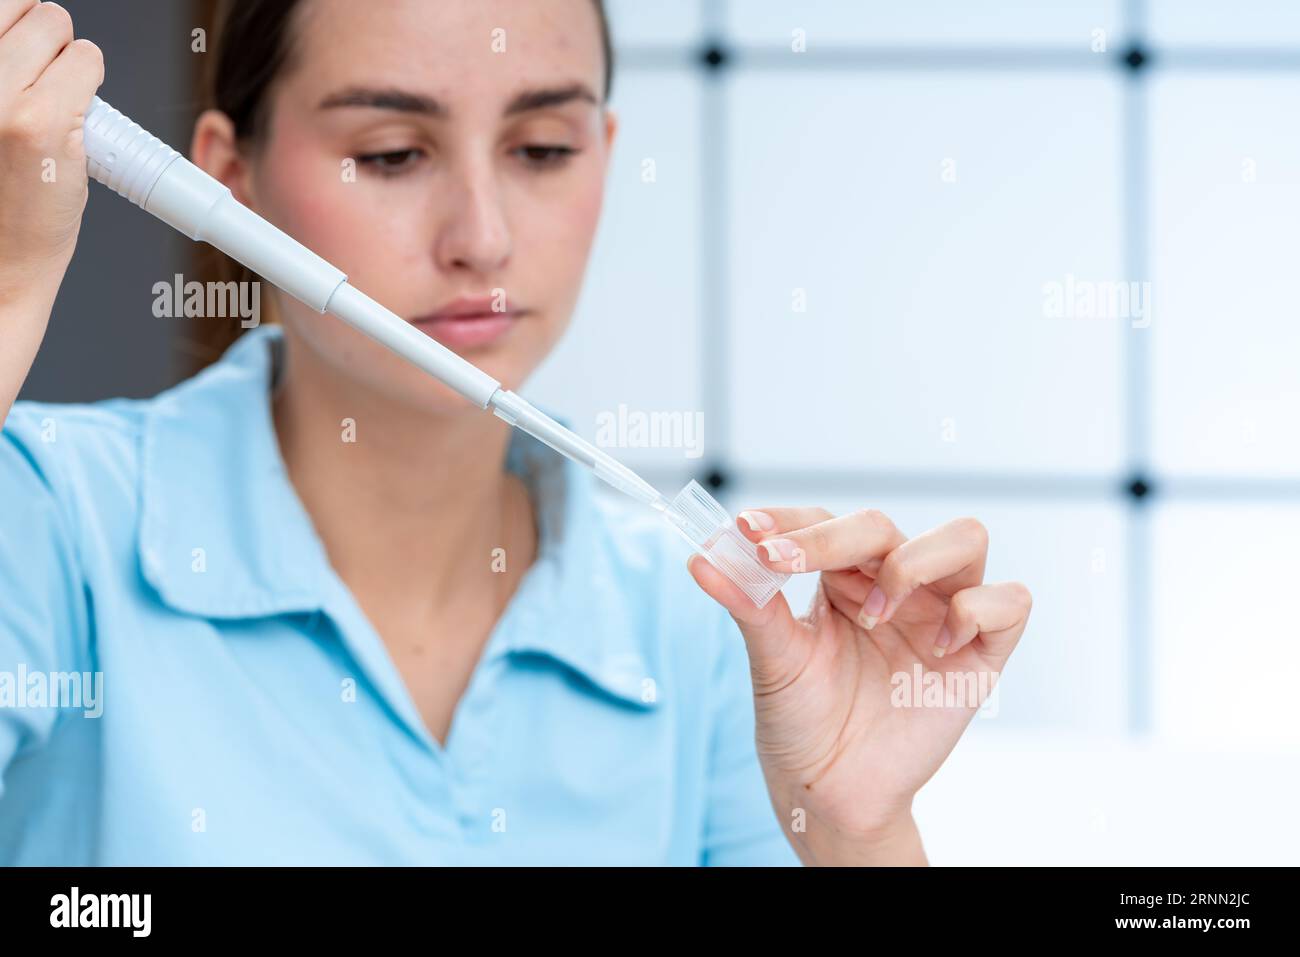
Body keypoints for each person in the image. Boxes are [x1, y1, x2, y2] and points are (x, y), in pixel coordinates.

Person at [0, 0, 1032, 865]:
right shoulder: (50, 520)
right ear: (227, 177)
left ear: (604, 152)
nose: (483, 237)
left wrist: (858, 832)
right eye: (393, 152)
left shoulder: (708, 630)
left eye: (542, 149)